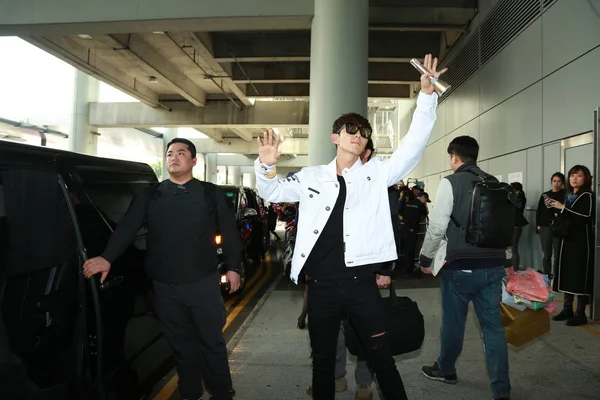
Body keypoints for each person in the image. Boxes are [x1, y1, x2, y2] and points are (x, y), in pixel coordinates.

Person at [254, 53, 444, 400]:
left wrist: (426, 96)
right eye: (351, 131)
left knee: (381, 358)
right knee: (323, 362)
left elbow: (413, 147)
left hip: (361, 285)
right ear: (335, 138)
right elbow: (271, 191)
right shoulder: (312, 176)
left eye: (363, 133)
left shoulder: (376, 173)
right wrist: (266, 166)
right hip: (322, 286)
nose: (358, 136)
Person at [82, 138, 242, 400]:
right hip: (165, 287)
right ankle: (190, 391)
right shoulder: (151, 194)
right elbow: (126, 229)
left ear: (193, 161)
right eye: (169, 153)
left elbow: (230, 232)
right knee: (181, 345)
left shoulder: (210, 193)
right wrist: (107, 258)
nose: (174, 157)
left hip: (201, 284)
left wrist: (234, 268)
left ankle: (221, 391)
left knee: (211, 343)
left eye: (181, 153)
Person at [418, 136, 511, 400]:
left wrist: (425, 260)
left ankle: (446, 369)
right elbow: (506, 227)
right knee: (493, 329)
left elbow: (436, 227)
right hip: (493, 267)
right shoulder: (494, 183)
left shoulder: (451, 183)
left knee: (453, 325)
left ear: (454, 157)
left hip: (460, 268)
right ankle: (501, 391)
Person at [548, 165, 594, 326]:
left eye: (579, 176)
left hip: (581, 242)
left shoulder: (587, 195)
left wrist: (563, 208)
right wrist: (557, 208)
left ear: (586, 178)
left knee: (579, 276)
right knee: (566, 274)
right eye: (572, 175)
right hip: (567, 240)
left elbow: (585, 216)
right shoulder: (569, 195)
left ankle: (580, 313)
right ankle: (567, 308)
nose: (574, 178)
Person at [535, 172, 565, 276]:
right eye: (554, 181)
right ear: (551, 182)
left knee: (558, 254)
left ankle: (557, 277)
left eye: (559, 181)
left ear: (562, 183)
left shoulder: (566, 194)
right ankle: (546, 275)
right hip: (545, 226)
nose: (556, 183)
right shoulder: (545, 195)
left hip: (559, 227)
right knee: (546, 254)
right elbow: (539, 210)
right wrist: (538, 225)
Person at [510, 182, 528, 270]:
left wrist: (512, 198)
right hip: (511, 223)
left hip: (517, 224)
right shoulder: (515, 197)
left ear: (517, 191)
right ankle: (511, 267)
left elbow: (519, 206)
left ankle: (515, 268)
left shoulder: (521, 198)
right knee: (510, 247)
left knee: (514, 247)